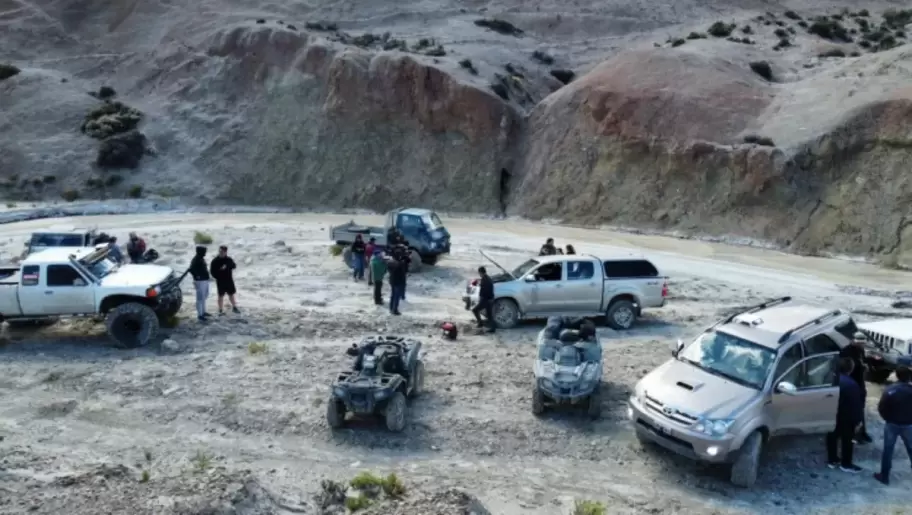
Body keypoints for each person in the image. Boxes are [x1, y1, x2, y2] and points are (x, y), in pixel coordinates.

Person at [874, 366, 912, 485]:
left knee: (888, 450)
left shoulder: (890, 390)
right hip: (908, 424)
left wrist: (888, 419)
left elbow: (881, 408)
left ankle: (884, 476)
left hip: (892, 424)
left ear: (897, 375)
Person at [827, 357, 865, 472]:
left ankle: (832, 460)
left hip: (831, 414)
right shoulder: (852, 385)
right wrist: (858, 420)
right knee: (847, 440)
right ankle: (846, 464)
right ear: (851, 369)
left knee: (831, 437)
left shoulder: (830, 379)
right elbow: (856, 405)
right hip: (846, 417)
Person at [841, 332, 873, 444]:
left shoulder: (860, 350)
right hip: (851, 384)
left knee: (860, 409)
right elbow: (845, 367)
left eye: (863, 343)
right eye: (859, 343)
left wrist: (866, 364)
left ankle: (862, 432)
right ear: (853, 341)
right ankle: (854, 434)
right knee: (853, 411)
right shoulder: (846, 352)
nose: (862, 345)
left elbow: (862, 361)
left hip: (860, 383)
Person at [209, 245, 240, 315]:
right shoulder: (215, 261)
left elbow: (234, 266)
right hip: (220, 281)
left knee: (231, 294)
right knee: (220, 295)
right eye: (220, 251)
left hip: (229, 280)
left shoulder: (229, 259)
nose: (220, 253)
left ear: (226, 252)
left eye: (222, 252)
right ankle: (220, 309)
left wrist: (227, 266)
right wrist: (218, 274)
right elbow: (212, 271)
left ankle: (234, 307)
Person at [188, 245, 211, 321]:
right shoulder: (196, 259)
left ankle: (203, 312)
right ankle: (200, 315)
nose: (205, 253)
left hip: (204, 280)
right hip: (200, 281)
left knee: (204, 297)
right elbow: (191, 269)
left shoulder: (201, 258)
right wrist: (197, 276)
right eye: (204, 251)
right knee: (200, 298)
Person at [472, 266, 495, 333]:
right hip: (490, 299)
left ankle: (480, 323)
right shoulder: (487, 278)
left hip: (486, 299)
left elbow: (485, 291)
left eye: (479, 273)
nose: (479, 274)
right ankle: (492, 328)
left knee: (475, 310)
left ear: (481, 272)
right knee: (489, 315)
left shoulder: (485, 279)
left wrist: (481, 298)